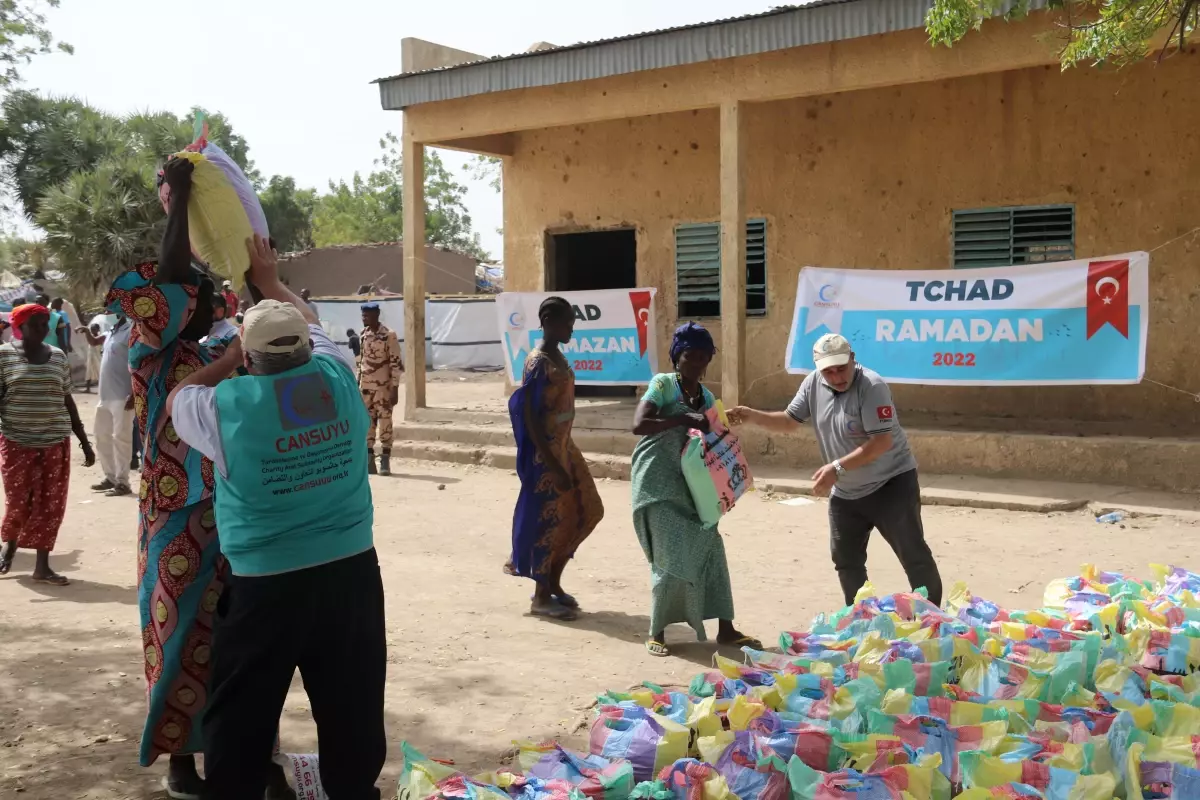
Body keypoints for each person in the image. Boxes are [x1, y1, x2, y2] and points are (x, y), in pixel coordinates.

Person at [166, 236, 385, 800]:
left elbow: (178, 398)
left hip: (266, 584)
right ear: (305, 350)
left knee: (241, 712)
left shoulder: (224, 408)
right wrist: (269, 281)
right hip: (352, 573)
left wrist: (231, 358)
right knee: (352, 704)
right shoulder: (339, 374)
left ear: (250, 355)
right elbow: (312, 322)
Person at [106, 156, 291, 799]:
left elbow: (278, 334)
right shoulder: (149, 354)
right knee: (179, 637)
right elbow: (174, 274)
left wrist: (260, 281)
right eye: (201, 297)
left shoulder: (212, 354)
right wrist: (180, 201)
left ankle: (250, 753)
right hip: (173, 521)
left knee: (241, 644)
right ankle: (183, 762)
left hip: (230, 521)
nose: (208, 299)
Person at [729, 333, 943, 607]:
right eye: (828, 371)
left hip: (891, 484)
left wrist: (837, 467)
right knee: (846, 560)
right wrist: (750, 415)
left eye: (841, 368)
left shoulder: (872, 386)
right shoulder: (813, 384)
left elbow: (881, 442)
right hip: (846, 491)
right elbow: (789, 421)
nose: (836, 376)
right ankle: (862, 619)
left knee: (913, 554)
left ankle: (931, 620)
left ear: (853, 360)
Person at [630, 322, 760, 657]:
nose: (696, 363)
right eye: (690, 355)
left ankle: (727, 630)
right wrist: (682, 419)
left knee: (711, 550)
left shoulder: (706, 397)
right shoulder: (663, 386)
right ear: (677, 356)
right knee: (668, 556)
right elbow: (639, 425)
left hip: (692, 486)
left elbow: (715, 438)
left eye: (703, 357)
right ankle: (657, 632)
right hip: (656, 483)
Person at [506, 296, 604, 621]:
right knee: (550, 520)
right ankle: (540, 596)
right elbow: (530, 417)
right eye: (566, 323)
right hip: (546, 453)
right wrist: (551, 463)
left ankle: (554, 582)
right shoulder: (537, 362)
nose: (571, 330)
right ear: (548, 321)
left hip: (565, 446)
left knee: (588, 510)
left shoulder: (558, 356)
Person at [0, 303, 95, 583]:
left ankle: (42, 566)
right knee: (19, 501)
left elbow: (67, 400)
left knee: (50, 504)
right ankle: (10, 547)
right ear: (20, 327)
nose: (42, 330)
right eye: (36, 325)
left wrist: (84, 443)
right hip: (17, 442)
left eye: (45, 325)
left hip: (55, 442)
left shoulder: (57, 357)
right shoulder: (4, 357)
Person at [76, 316, 135, 496]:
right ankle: (110, 477)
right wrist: (86, 331)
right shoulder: (112, 330)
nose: (109, 308)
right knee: (102, 437)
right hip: (105, 395)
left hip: (123, 395)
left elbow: (138, 361)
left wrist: (134, 392)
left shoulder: (132, 330)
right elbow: (95, 342)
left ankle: (122, 482)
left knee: (121, 438)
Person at [357, 302, 402, 476]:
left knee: (385, 422)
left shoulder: (388, 335)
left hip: (383, 388)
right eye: (362, 315)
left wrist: (395, 388)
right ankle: (369, 460)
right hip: (366, 388)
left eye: (367, 315)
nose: (363, 318)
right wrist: (357, 383)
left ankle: (385, 459)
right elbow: (362, 363)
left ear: (376, 315)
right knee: (367, 423)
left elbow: (395, 363)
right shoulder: (363, 335)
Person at [82, 322, 103, 392]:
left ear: (98, 330)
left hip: (97, 357)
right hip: (90, 357)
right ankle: (88, 388)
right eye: (91, 329)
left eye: (94, 329)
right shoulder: (90, 336)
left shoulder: (100, 338)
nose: (92, 331)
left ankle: (102, 388)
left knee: (100, 372)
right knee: (88, 373)